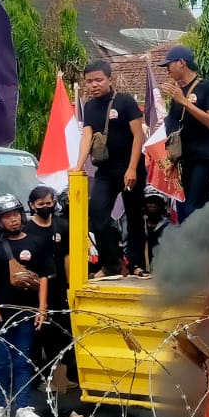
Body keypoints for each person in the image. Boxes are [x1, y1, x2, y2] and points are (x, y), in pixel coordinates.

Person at [0, 194, 51, 417]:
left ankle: (23, 407)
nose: (13, 220)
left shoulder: (36, 242)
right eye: (7, 217)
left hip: (25, 313)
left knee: (22, 360)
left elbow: (45, 277)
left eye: (16, 214)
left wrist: (42, 308)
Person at [77, 59, 143, 276]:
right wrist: (78, 166)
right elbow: (87, 136)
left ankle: (135, 263)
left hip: (130, 168)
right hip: (105, 170)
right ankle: (111, 264)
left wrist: (132, 168)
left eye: (98, 80)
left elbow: (138, 136)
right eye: (89, 81)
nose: (94, 85)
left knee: (133, 217)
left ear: (109, 79)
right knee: (97, 214)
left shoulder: (125, 102)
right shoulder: (89, 106)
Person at [161, 44, 209, 221]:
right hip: (184, 160)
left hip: (203, 157)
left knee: (192, 209)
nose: (167, 70)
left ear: (181, 62)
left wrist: (185, 102)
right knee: (183, 210)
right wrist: (172, 160)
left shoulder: (208, 87)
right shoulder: (177, 92)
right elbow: (175, 128)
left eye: (169, 65)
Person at [25, 184, 75, 398]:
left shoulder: (62, 226)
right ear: (32, 206)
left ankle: (59, 379)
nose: (47, 207)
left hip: (58, 287)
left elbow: (66, 257)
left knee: (61, 335)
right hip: (35, 290)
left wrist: (70, 285)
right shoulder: (27, 230)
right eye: (41, 204)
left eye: (50, 202)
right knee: (37, 336)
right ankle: (37, 380)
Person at [135, 186, 171, 277]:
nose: (153, 205)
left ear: (163, 205)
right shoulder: (135, 225)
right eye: (150, 201)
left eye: (157, 202)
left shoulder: (169, 226)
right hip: (137, 272)